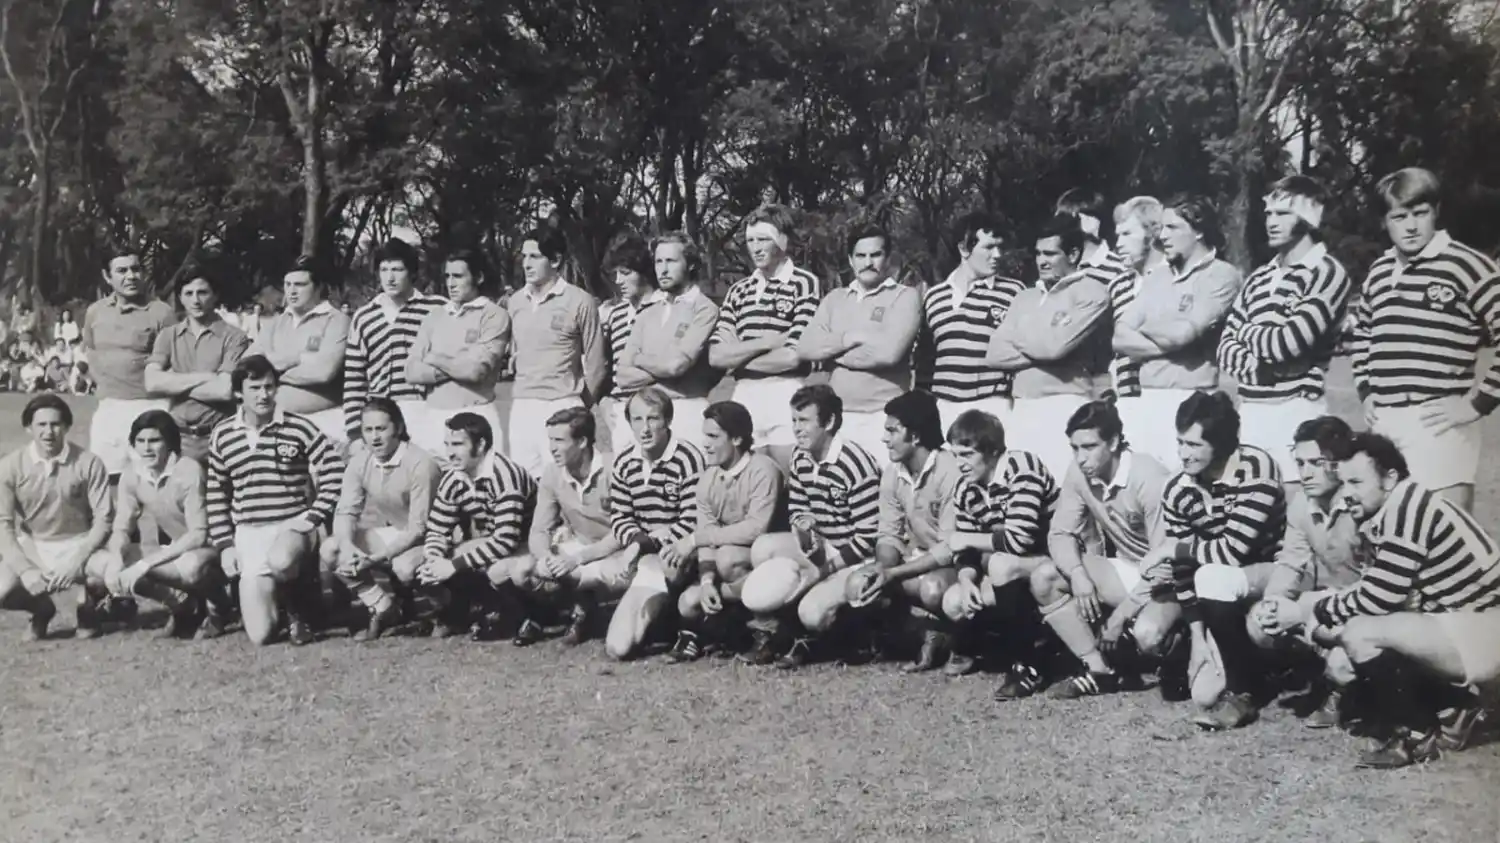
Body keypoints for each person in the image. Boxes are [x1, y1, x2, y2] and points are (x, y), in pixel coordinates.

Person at [1262, 432, 1498, 769]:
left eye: (1357, 482)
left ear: (1390, 478)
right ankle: (1454, 704)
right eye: (1344, 483)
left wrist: (1305, 610)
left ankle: (1418, 733)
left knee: (1360, 634)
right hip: (1462, 623)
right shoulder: (1391, 505)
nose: (1348, 494)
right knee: (1347, 645)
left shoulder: (1407, 507)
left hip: (1486, 627)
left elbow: (1379, 595)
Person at [1348, 166, 1500, 513]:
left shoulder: (1467, 265)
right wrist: (1366, 390)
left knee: (1447, 534)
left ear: (1436, 212)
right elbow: (1364, 334)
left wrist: (1477, 404)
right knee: (1390, 533)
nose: (1412, 226)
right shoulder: (1380, 271)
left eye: (1421, 213)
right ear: (1385, 221)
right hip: (1385, 422)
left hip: (1438, 422)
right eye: (1400, 216)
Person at [1029, 401, 1180, 699]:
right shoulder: (1079, 472)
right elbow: (1059, 533)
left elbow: (1165, 568)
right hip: (1128, 569)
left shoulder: (1149, 477)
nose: (1081, 458)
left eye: (1089, 447)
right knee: (1044, 577)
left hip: (1169, 582)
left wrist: (1120, 616)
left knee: (1148, 635)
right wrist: (1077, 575)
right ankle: (1100, 671)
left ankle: (1180, 647)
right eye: (1075, 448)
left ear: (1113, 442)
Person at [1162, 391, 1287, 731]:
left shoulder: (1256, 468)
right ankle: (1245, 668)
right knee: (1202, 695)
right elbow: (1183, 571)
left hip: (1279, 573)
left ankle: (1244, 691)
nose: (1182, 454)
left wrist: (1174, 549)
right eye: (1180, 443)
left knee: (1215, 576)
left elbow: (1232, 551)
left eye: (1193, 445)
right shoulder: (1178, 489)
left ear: (1220, 444)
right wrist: (1197, 639)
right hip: (1224, 588)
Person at [736, 384, 882, 668]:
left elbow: (869, 538)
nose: (796, 429)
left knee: (812, 613)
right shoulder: (800, 456)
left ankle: (852, 633)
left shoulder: (856, 464)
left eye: (804, 421)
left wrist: (824, 570)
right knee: (764, 548)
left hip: (855, 558)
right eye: (793, 420)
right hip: (824, 547)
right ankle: (772, 633)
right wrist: (802, 528)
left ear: (828, 422)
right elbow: (797, 507)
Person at [1218, 176, 1353, 480]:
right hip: (1251, 412)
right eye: (1269, 213)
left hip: (1298, 411)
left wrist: (1245, 331)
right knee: (1251, 510)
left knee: (1298, 512)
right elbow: (1224, 350)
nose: (1271, 222)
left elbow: (1288, 343)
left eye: (1283, 214)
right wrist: (1259, 364)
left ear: (1308, 218)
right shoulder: (1259, 278)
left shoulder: (1327, 272)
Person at [206, 355, 344, 646]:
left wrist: (312, 517)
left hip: (290, 527)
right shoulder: (222, 435)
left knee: (282, 560)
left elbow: (334, 471)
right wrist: (225, 546)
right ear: (238, 393)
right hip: (249, 532)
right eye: (254, 388)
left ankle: (301, 610)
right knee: (260, 635)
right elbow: (216, 494)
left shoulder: (298, 427)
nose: (263, 394)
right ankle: (281, 604)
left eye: (269, 387)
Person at [1246, 416, 1364, 729]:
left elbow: (1379, 585)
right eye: (1300, 462)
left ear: (1340, 463)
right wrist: (1273, 603)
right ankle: (1319, 673)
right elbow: (1290, 561)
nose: (1305, 472)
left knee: (1343, 663)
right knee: (1260, 620)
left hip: (1372, 605)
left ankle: (1353, 689)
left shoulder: (1362, 503)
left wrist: (1303, 609)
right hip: (1333, 602)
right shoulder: (1302, 503)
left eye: (1316, 462)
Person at [1112, 197, 1243, 469]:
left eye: (1172, 227)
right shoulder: (1157, 277)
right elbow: (1119, 337)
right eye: (1161, 228)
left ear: (1198, 230)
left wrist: (1150, 331)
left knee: (1186, 488)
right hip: (1146, 398)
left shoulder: (1222, 275)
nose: (1162, 236)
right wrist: (1170, 339)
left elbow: (1181, 335)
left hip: (1191, 399)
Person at [846, 390, 967, 672]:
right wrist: (882, 569)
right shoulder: (893, 471)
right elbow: (889, 534)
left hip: (955, 566)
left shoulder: (950, 470)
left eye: (892, 431)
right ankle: (913, 633)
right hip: (915, 562)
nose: (884, 438)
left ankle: (958, 639)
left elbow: (951, 548)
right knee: (859, 583)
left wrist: (894, 574)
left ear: (915, 436)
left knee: (933, 589)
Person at [986, 214, 1113, 478]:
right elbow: (994, 354)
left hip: (1065, 406)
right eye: (1038, 254)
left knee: (1063, 488)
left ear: (1074, 254)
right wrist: (1045, 346)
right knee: (1022, 489)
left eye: (1050, 254)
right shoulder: (1024, 297)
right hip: (1021, 407)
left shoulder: (1092, 291)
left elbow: (1054, 348)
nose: (1041, 261)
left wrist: (1018, 333)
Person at [938, 409, 1060, 687]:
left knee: (1000, 564)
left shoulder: (1022, 467)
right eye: (955, 455)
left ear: (992, 451)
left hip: (1057, 561)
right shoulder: (965, 489)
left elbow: (1020, 540)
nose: (960, 464)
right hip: (1019, 566)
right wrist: (966, 578)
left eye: (967, 455)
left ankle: (1027, 662)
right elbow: (965, 550)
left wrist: (967, 539)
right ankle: (1015, 643)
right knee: (955, 601)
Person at [502, 407, 633, 647]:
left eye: (559, 440)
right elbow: (539, 530)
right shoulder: (552, 472)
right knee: (523, 570)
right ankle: (545, 614)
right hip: (579, 549)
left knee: (612, 576)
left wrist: (578, 559)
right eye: (550, 440)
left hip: (617, 552)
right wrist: (546, 558)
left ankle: (588, 612)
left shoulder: (614, 469)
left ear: (582, 441)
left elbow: (624, 531)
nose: (551, 448)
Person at [99, 410, 233, 639]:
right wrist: (116, 559)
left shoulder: (188, 469)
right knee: (114, 562)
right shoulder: (132, 475)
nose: (147, 448)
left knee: (190, 568)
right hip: (180, 547)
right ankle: (182, 607)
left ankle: (219, 605)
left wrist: (144, 565)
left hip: (215, 547)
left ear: (169, 442)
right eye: (140, 441)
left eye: (154, 440)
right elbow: (122, 526)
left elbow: (198, 534)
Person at [796, 224, 921, 457]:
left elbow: (888, 354)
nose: (868, 262)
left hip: (884, 417)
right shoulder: (835, 299)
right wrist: (849, 339)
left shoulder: (905, 296)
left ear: (888, 258)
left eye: (875, 255)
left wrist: (831, 352)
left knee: (882, 488)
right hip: (838, 417)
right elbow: (805, 348)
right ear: (851, 260)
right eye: (861, 256)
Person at [672, 401, 784, 661]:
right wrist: (707, 581)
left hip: (773, 560)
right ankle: (732, 627)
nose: (706, 444)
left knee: (728, 558)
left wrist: (696, 539)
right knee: (688, 602)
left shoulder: (763, 470)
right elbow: (706, 537)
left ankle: (769, 631)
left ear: (736, 438)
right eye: (705, 436)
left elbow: (757, 528)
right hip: (729, 568)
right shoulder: (707, 480)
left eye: (713, 436)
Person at [708, 204, 822, 457]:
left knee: (789, 479)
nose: (755, 248)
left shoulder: (804, 283)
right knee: (751, 481)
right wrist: (767, 342)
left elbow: (793, 355)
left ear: (781, 241)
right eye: (750, 240)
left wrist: (737, 358)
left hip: (785, 391)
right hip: (745, 394)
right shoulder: (738, 290)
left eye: (763, 239)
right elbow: (716, 357)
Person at [325, 398, 443, 642]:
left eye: (381, 429)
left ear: (398, 428)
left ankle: (447, 610)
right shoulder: (360, 462)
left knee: (404, 568)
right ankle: (384, 608)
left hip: (436, 538)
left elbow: (419, 529)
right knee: (332, 549)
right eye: (368, 430)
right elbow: (345, 511)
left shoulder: (421, 464)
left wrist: (377, 558)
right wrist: (348, 547)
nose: (374, 437)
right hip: (401, 533)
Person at [604, 387, 707, 661]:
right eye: (637, 420)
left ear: (668, 421)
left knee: (672, 565)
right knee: (617, 648)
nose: (645, 429)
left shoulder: (688, 458)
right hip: (648, 557)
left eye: (653, 419)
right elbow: (620, 517)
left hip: (683, 555)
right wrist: (639, 544)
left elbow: (692, 520)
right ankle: (661, 620)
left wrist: (654, 542)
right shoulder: (624, 461)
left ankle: (686, 622)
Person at [0, 395, 113, 640]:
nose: (49, 432)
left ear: (67, 427)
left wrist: (75, 562)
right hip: (35, 545)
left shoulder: (89, 462)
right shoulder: (9, 466)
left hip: (80, 543)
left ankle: (88, 608)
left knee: (110, 570)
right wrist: (25, 570)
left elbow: (104, 521)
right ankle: (42, 609)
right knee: (1, 590)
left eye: (55, 424)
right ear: (28, 428)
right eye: (41, 425)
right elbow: (3, 526)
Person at [419, 412, 537, 639]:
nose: (450, 452)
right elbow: (437, 528)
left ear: (481, 444)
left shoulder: (505, 475)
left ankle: (529, 614)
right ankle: (473, 611)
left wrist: (452, 566)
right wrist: (434, 560)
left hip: (530, 542)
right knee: (432, 563)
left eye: (458, 444)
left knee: (493, 569)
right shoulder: (455, 477)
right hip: (496, 541)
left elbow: (506, 540)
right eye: (447, 444)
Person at [505, 226, 607, 478]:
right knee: (524, 480)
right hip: (523, 405)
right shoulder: (515, 302)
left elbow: (596, 363)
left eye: (535, 257)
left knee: (564, 480)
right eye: (524, 256)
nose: (526, 264)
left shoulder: (580, 301)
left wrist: (577, 408)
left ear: (555, 260)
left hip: (562, 403)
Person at [917, 212, 1025, 428]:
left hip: (993, 407)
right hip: (944, 409)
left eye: (1000, 247)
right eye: (988, 247)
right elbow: (925, 361)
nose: (997, 255)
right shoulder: (934, 296)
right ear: (964, 249)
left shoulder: (1014, 291)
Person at [613, 232, 720, 447]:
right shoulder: (647, 313)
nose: (662, 269)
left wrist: (640, 359)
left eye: (670, 261)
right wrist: (665, 371)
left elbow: (676, 365)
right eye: (658, 261)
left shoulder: (705, 308)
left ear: (690, 264)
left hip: (686, 410)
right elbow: (622, 376)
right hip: (645, 413)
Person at [405, 248, 510, 455]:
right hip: (434, 416)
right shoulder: (435, 316)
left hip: (476, 415)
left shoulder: (494, 315)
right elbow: (411, 371)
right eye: (447, 276)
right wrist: (457, 365)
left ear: (478, 277)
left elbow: (476, 372)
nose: (450, 283)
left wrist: (434, 357)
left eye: (458, 276)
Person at [84, 248, 178, 477]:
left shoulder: (161, 312)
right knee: (106, 478)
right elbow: (90, 349)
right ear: (107, 276)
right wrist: (102, 384)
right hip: (109, 407)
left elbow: (175, 362)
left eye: (135, 269)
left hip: (149, 406)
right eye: (122, 270)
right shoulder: (95, 312)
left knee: (152, 479)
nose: (130, 276)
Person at [343, 239, 448, 442]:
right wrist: (355, 433)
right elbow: (354, 380)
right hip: (378, 414)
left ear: (412, 272)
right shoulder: (364, 316)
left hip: (424, 410)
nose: (390, 278)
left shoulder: (437, 308)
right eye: (384, 270)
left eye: (397, 270)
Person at [145, 271, 251, 461]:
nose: (195, 300)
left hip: (221, 435)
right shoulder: (168, 335)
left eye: (202, 292)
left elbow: (224, 390)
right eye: (188, 293)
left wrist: (172, 384)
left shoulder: (235, 337)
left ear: (215, 295)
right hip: (177, 438)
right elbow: (151, 383)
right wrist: (208, 377)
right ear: (180, 297)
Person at [250, 256, 352, 445]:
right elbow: (248, 364)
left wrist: (273, 368)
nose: (292, 291)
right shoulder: (276, 322)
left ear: (318, 287)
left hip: (321, 421)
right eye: (288, 285)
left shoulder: (336, 321)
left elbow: (324, 372)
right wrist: (299, 360)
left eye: (300, 285)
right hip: (272, 418)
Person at [599, 236, 658, 452]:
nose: (618, 281)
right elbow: (605, 366)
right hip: (621, 413)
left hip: (654, 411)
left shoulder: (663, 308)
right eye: (615, 274)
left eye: (626, 273)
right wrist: (605, 402)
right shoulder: (616, 314)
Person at [1107, 197, 1167, 401]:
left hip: (1163, 392)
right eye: (1118, 235)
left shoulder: (1175, 279)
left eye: (1127, 234)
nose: (1118, 244)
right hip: (1126, 398)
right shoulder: (1118, 285)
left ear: (1152, 233)